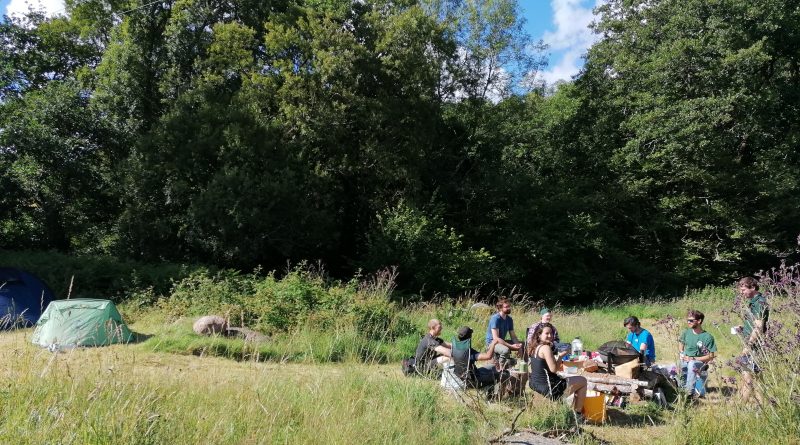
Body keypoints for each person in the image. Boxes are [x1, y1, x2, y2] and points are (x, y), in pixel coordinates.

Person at [527, 322, 587, 419]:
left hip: (535, 383)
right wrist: (560, 357)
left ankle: (567, 408)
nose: (550, 336)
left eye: (551, 333)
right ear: (539, 334)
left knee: (567, 378)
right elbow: (554, 369)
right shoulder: (546, 348)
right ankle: (578, 415)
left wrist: (560, 357)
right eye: (546, 333)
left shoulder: (534, 347)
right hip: (548, 387)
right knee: (583, 381)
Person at [733, 276, 769, 405]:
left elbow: (759, 327)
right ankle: (762, 406)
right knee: (757, 378)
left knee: (747, 378)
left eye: (743, 290)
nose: (741, 293)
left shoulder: (759, 302)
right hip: (753, 344)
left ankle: (739, 408)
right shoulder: (753, 302)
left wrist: (748, 346)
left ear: (753, 287)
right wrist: (744, 327)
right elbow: (754, 324)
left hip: (754, 346)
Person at [679, 310, 716, 397]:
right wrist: (682, 353)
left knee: (692, 365)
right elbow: (681, 342)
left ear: (699, 321)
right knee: (677, 366)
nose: (688, 322)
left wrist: (694, 359)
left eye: (691, 320)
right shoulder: (686, 333)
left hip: (700, 362)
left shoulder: (707, 337)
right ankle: (680, 389)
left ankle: (689, 393)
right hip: (686, 358)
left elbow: (711, 356)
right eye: (688, 320)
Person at [485, 298, 521, 368]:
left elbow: (513, 336)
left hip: (501, 341)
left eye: (509, 306)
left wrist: (518, 346)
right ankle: (501, 371)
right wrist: (511, 346)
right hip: (492, 343)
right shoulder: (495, 318)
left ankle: (523, 366)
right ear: (500, 308)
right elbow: (496, 338)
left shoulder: (509, 319)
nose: (508, 308)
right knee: (505, 350)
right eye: (506, 307)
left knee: (522, 344)